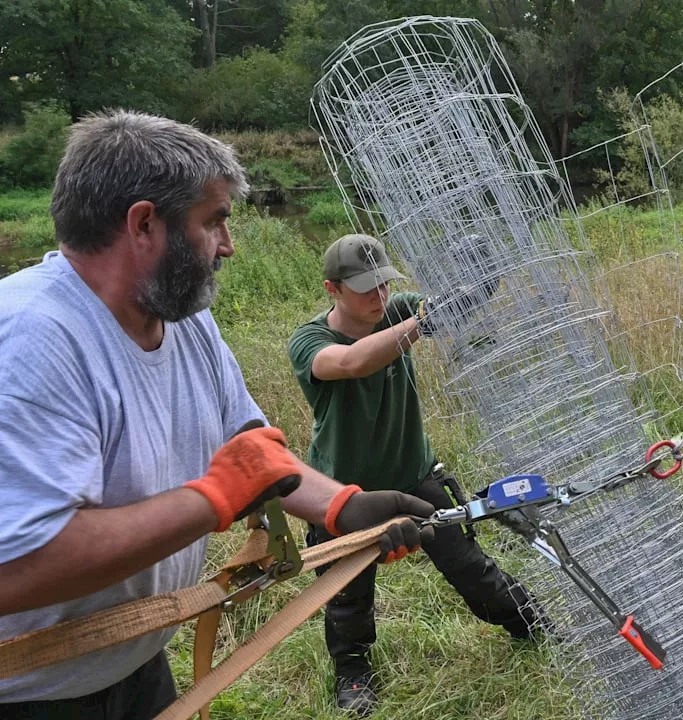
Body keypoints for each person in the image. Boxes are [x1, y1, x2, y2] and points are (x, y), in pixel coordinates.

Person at [0, 111, 436, 720]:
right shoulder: (34, 340)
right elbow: (19, 568)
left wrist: (340, 506)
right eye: (214, 222)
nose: (228, 245)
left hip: (132, 660)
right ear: (144, 223)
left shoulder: (184, 320)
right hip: (29, 692)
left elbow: (249, 446)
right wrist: (212, 500)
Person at [287, 233, 542, 716]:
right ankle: (354, 674)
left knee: (473, 569)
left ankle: (530, 623)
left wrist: (481, 278)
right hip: (342, 494)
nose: (379, 297)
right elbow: (354, 362)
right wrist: (420, 322)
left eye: (384, 284)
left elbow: (448, 307)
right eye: (365, 288)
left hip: (415, 475)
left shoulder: (398, 309)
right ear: (332, 289)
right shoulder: (310, 341)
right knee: (347, 597)